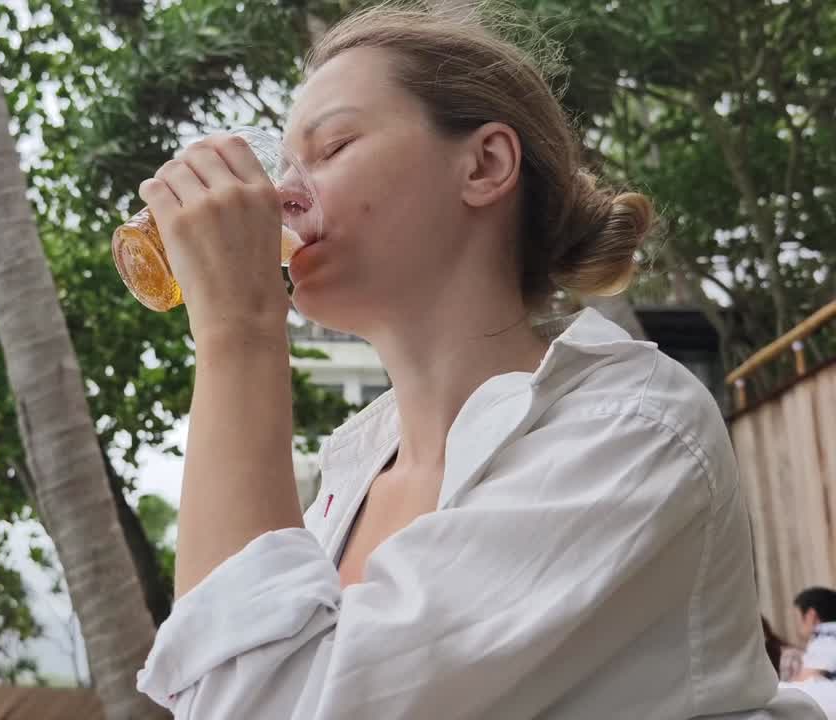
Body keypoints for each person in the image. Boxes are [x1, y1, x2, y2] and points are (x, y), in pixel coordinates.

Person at [129, 3, 821, 718]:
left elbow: (265, 703)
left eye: (332, 148)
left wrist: (238, 328)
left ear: (485, 164)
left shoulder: (630, 429)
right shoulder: (351, 470)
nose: (281, 196)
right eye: (287, 166)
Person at [796, 588, 836, 681]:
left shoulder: (825, 641)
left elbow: (806, 680)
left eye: (797, 617)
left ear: (811, 616)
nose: (797, 624)